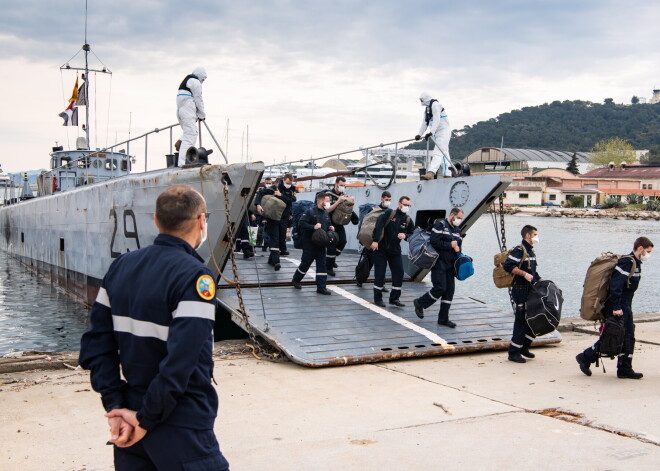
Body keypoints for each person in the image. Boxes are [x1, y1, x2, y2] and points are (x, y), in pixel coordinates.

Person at [79, 185, 230, 470]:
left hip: (130, 413)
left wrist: (115, 407)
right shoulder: (195, 277)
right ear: (201, 220)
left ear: (156, 221)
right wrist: (146, 418)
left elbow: (97, 344)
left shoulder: (121, 266)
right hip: (180, 419)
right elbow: (181, 361)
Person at [576, 237, 654, 379]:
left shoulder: (636, 263)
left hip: (626, 305)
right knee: (613, 336)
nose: (649, 255)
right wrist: (616, 307)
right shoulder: (627, 262)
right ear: (641, 248)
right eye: (648, 251)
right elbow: (615, 286)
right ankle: (585, 357)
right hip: (617, 305)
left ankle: (624, 368)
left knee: (628, 336)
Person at [413, 207, 464, 328]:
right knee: (440, 288)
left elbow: (459, 245)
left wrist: (458, 249)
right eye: (458, 218)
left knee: (449, 292)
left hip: (450, 264)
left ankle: (443, 318)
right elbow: (434, 242)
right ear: (452, 215)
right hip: (439, 262)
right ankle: (420, 303)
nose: (459, 220)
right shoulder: (440, 225)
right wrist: (450, 245)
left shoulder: (457, 230)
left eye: (461, 219)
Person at [502, 225, 541, 363]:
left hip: (530, 290)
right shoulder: (520, 250)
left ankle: (524, 347)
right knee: (521, 321)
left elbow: (533, 272)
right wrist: (524, 274)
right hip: (520, 290)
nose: (537, 237)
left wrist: (540, 279)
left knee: (533, 319)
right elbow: (508, 265)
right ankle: (513, 352)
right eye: (535, 234)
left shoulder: (530, 252)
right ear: (527, 236)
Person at [371, 196, 415, 307]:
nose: (407, 207)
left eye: (408, 205)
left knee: (399, 272)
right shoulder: (389, 213)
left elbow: (413, 235)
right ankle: (378, 298)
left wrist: (405, 235)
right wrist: (375, 241)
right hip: (381, 248)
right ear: (399, 204)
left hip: (395, 250)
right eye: (405, 205)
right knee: (380, 274)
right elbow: (379, 225)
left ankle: (394, 298)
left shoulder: (408, 220)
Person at [292, 192, 334, 295]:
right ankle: (296, 279)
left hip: (321, 244)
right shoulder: (309, 212)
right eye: (327, 201)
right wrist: (313, 227)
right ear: (320, 201)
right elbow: (301, 223)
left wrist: (330, 227)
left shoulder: (325, 213)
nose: (329, 203)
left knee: (322, 266)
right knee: (305, 264)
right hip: (310, 244)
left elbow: (328, 223)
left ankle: (321, 287)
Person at [255, 173, 297, 271]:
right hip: (273, 217)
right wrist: (257, 204)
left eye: (290, 183)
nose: (289, 185)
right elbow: (260, 193)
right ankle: (276, 261)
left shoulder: (292, 189)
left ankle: (271, 259)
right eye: (287, 183)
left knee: (281, 238)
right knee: (275, 238)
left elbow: (292, 200)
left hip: (284, 217)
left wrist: (281, 195)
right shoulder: (275, 187)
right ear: (283, 180)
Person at [324, 176, 359, 276]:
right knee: (332, 244)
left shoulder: (344, 195)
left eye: (344, 185)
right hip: (330, 222)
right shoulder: (328, 195)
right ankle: (328, 267)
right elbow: (328, 210)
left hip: (339, 222)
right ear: (336, 184)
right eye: (341, 185)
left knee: (343, 241)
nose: (342, 187)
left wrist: (350, 202)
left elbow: (347, 209)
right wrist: (338, 201)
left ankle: (332, 258)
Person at [359, 191, 393, 292]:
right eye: (386, 199)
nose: (388, 202)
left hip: (383, 241)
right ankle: (360, 278)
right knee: (368, 261)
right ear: (382, 199)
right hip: (373, 239)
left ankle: (381, 284)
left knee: (382, 264)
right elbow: (366, 223)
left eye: (390, 200)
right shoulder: (374, 209)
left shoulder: (391, 212)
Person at [415, 92, 452, 180]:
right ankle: (447, 174)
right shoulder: (427, 109)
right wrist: (419, 134)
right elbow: (425, 123)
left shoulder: (436, 105)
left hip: (443, 131)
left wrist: (431, 132)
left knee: (438, 151)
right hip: (436, 133)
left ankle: (431, 172)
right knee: (444, 153)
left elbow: (437, 119)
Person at [176, 67, 207, 167]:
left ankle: (181, 141)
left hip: (181, 110)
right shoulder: (195, 82)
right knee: (191, 134)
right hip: (187, 109)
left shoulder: (186, 81)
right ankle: (183, 163)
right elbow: (198, 99)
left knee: (189, 132)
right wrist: (202, 114)